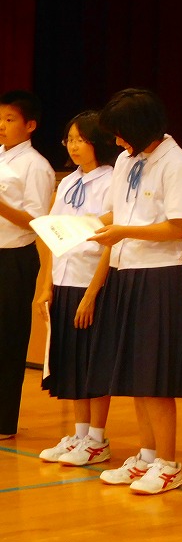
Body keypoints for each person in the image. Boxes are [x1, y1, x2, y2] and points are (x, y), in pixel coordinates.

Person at [86, 88, 182, 494]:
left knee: (156, 377)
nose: (117, 141)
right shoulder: (125, 160)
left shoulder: (176, 163)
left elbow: (177, 226)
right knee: (136, 373)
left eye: (121, 132)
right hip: (126, 270)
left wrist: (123, 231)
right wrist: (82, 225)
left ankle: (168, 464)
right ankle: (147, 456)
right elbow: (118, 212)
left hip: (159, 275)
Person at [34, 111, 118, 465]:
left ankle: (97, 438)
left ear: (98, 141)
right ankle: (80, 434)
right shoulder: (68, 182)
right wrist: (47, 284)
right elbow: (52, 233)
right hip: (64, 279)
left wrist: (92, 293)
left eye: (81, 139)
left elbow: (112, 240)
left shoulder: (112, 181)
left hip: (91, 281)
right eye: (69, 139)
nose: (74, 146)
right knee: (71, 361)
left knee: (93, 362)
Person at [0, 90, 56, 440]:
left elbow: (37, 221)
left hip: (13, 258)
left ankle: (3, 421)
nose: (2, 126)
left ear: (30, 125)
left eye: (9, 119)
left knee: (7, 339)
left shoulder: (36, 166)